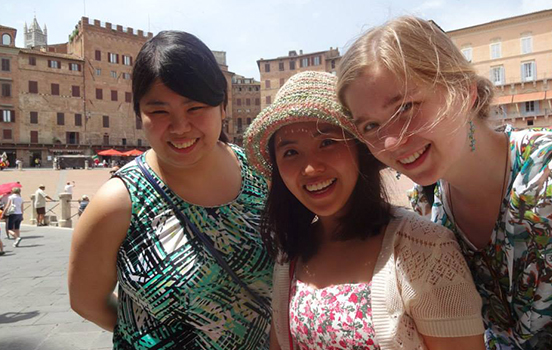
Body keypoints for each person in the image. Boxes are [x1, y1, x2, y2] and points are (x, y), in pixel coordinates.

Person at [336, 16, 552, 349]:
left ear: (464, 92)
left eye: (406, 107)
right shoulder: (427, 207)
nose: (390, 142)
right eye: (370, 127)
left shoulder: (545, 172)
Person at [244, 71, 485, 350]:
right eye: (290, 153)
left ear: (360, 149)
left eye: (327, 143)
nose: (310, 168)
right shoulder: (291, 254)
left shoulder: (426, 249)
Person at [68, 30, 273, 349]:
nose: (180, 127)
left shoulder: (263, 174)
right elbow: (86, 301)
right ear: (140, 115)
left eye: (195, 109)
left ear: (222, 106)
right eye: (160, 111)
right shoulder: (118, 202)